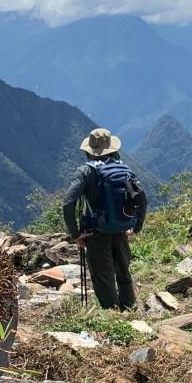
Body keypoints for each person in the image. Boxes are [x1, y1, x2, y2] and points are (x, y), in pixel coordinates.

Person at [63, 128, 138, 310]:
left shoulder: (85, 171)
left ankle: (113, 314)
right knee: (123, 272)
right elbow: (139, 198)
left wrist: (76, 234)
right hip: (121, 229)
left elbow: (68, 204)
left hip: (96, 233)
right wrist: (136, 225)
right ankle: (130, 308)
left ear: (89, 150)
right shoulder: (123, 168)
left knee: (103, 277)